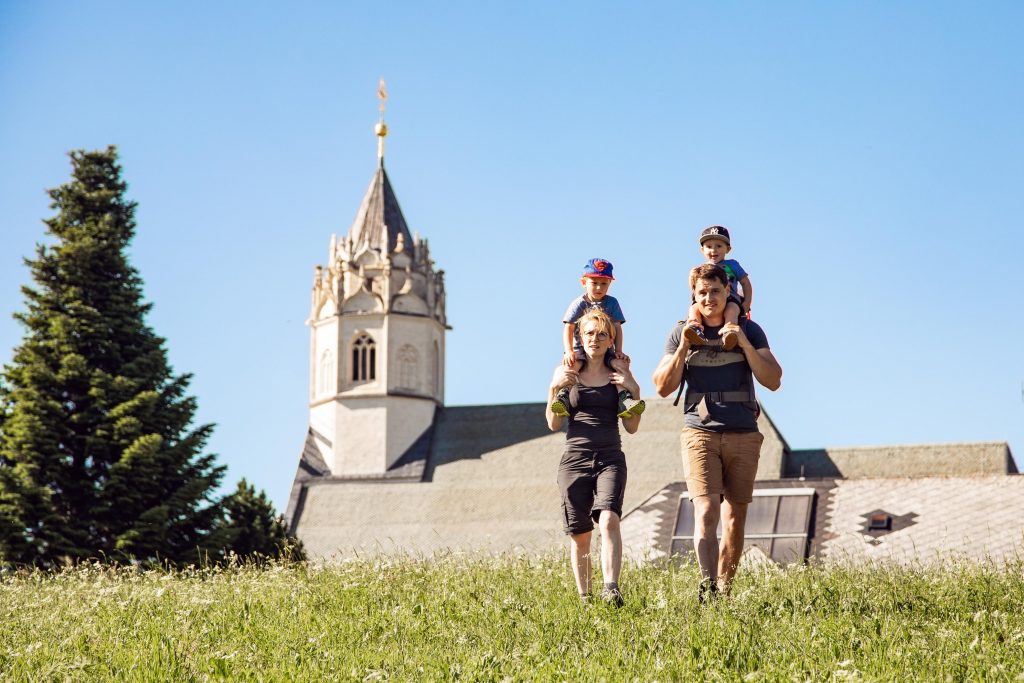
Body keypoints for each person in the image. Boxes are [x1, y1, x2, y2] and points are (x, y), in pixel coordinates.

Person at [652, 263, 782, 602]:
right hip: (699, 431)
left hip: (742, 430)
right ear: (694, 296)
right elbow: (662, 387)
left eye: (716, 292)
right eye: (702, 293)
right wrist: (683, 348)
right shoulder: (680, 331)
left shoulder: (749, 330)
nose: (709, 298)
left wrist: (744, 345)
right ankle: (707, 584)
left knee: (734, 517)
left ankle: (725, 588)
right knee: (706, 509)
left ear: (728, 293)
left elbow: (773, 380)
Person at [546, 307, 643, 606]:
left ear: (611, 338)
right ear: (579, 336)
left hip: (610, 456)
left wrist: (633, 388)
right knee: (581, 534)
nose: (595, 339)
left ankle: (610, 587)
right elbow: (553, 423)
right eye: (589, 333)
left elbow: (632, 426)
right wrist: (555, 388)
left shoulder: (619, 373)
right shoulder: (567, 370)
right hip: (574, 458)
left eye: (602, 334)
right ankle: (586, 600)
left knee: (609, 518)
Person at [550, 258, 645, 419]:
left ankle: (625, 399)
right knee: (572, 367)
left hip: (606, 347)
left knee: (619, 366)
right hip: (581, 349)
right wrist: (569, 351)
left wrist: (619, 350)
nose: (599, 288)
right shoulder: (579, 303)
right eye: (594, 283)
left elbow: (617, 328)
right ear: (583, 282)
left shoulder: (612, 302)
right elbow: (569, 327)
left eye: (604, 283)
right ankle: (563, 396)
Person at [683, 226, 753, 351]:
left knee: (732, 309)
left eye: (719, 246)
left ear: (728, 249)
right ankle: (695, 328)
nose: (713, 250)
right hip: (709, 300)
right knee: (694, 308)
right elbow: (693, 284)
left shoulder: (732, 265)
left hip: (730, 298)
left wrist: (747, 302)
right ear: (702, 250)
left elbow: (745, 283)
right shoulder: (701, 269)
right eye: (709, 246)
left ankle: (729, 332)